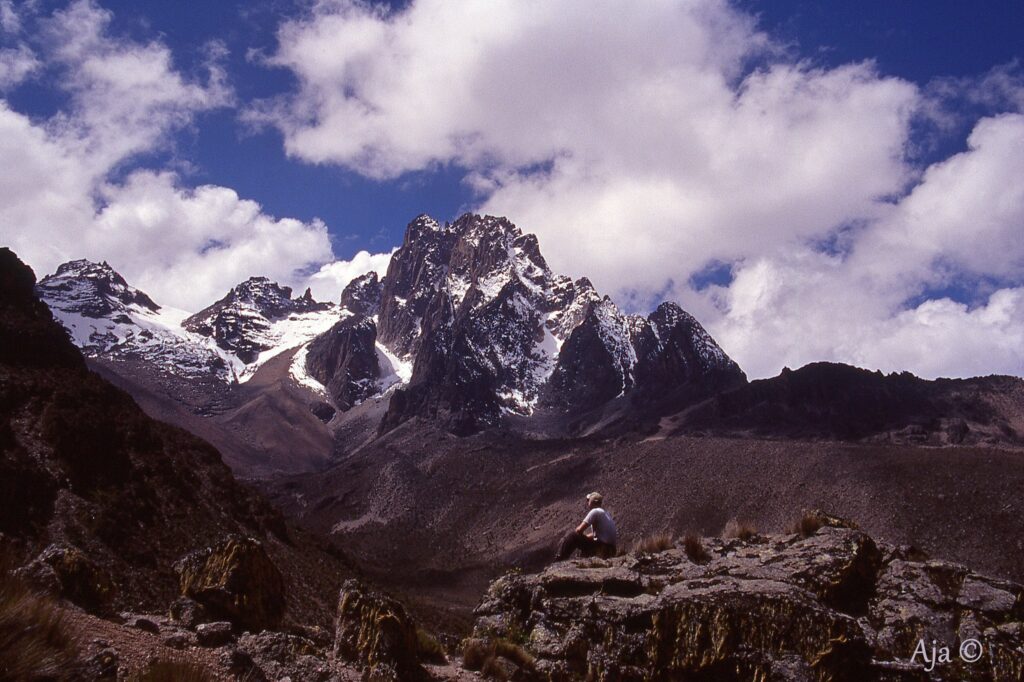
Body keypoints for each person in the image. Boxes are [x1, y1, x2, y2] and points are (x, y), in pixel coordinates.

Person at [555, 492, 617, 560]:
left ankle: (560, 558)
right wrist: (586, 537)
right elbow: (599, 535)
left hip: (601, 548)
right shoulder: (606, 513)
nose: (587, 502)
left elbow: (579, 530)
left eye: (589, 500)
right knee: (586, 540)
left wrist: (581, 537)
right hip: (611, 550)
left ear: (593, 502)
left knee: (573, 536)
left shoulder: (595, 511)